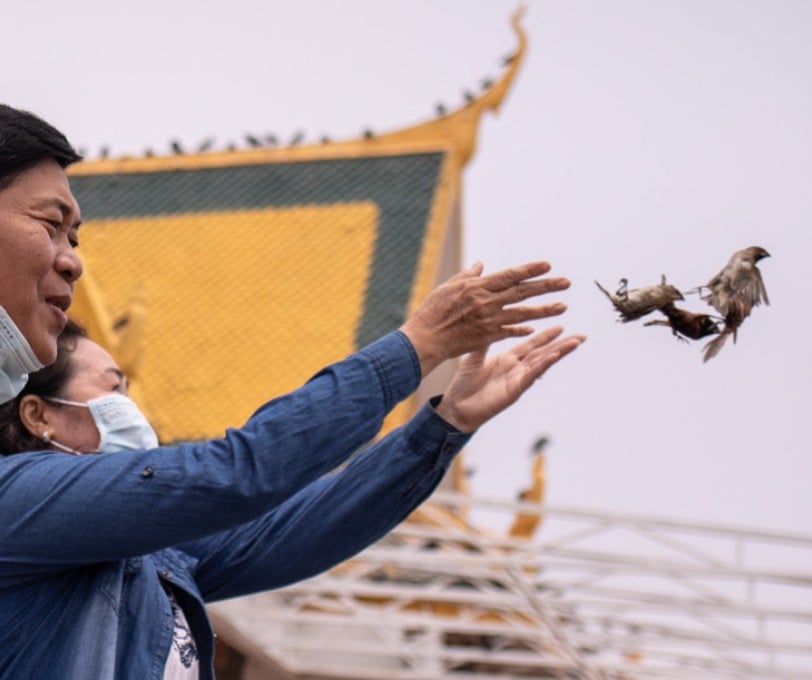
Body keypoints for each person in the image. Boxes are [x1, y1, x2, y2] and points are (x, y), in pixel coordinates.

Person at [0, 103, 586, 679]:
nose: (73, 261)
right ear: (38, 415)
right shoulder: (18, 505)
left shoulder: (140, 554)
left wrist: (442, 425)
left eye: (75, 236)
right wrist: (417, 347)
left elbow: (296, 529)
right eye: (52, 226)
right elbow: (236, 472)